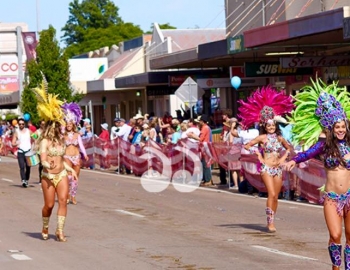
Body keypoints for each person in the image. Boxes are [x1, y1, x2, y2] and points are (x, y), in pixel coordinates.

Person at [284, 80, 350, 269]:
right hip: (332, 198)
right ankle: (336, 267)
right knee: (336, 235)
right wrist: (293, 161)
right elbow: (307, 153)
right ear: (331, 128)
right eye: (337, 127)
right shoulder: (324, 145)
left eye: (343, 127)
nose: (340, 130)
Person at [237, 86, 294, 233]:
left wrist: (283, 159)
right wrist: (259, 155)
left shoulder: (281, 138)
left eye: (273, 125)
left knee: (276, 197)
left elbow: (289, 149)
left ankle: (272, 219)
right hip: (266, 168)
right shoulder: (262, 138)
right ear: (264, 126)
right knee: (272, 194)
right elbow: (247, 145)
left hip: (278, 168)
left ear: (276, 126)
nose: (271, 127)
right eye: (268, 125)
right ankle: (270, 223)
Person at [32, 77, 77, 242]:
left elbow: (62, 158)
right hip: (48, 176)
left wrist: (70, 169)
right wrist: (45, 163)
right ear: (53, 126)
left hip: (61, 174)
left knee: (63, 201)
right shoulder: (45, 141)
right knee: (49, 205)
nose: (61, 127)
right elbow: (43, 156)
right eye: (58, 125)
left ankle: (59, 231)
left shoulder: (62, 140)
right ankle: (45, 226)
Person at [62, 102, 88, 205]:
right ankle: (67, 194)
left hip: (76, 157)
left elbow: (81, 146)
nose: (68, 126)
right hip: (67, 157)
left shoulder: (77, 135)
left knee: (75, 178)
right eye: (67, 125)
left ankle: (73, 196)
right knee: (69, 177)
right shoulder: (63, 136)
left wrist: (85, 154)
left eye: (70, 125)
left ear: (73, 125)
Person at [11, 118, 33, 187]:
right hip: (21, 151)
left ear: (24, 124)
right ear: (18, 124)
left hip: (28, 151)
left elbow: (35, 137)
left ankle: (26, 179)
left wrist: (35, 145)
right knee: (22, 167)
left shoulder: (28, 131)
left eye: (22, 124)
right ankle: (23, 180)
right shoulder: (16, 132)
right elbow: (12, 143)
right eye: (20, 124)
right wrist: (16, 143)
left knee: (28, 167)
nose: (21, 125)